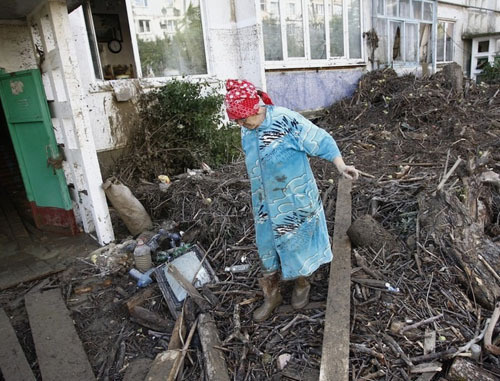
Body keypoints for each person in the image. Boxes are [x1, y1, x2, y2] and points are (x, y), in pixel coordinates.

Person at [225, 79, 359, 322]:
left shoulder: (286, 121)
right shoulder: (247, 128)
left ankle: (301, 284)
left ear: (256, 108)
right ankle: (272, 295)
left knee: (296, 244)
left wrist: (341, 165)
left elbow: (322, 139)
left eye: (243, 119)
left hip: (294, 198)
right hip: (264, 202)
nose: (241, 124)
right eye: (237, 121)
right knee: (266, 247)